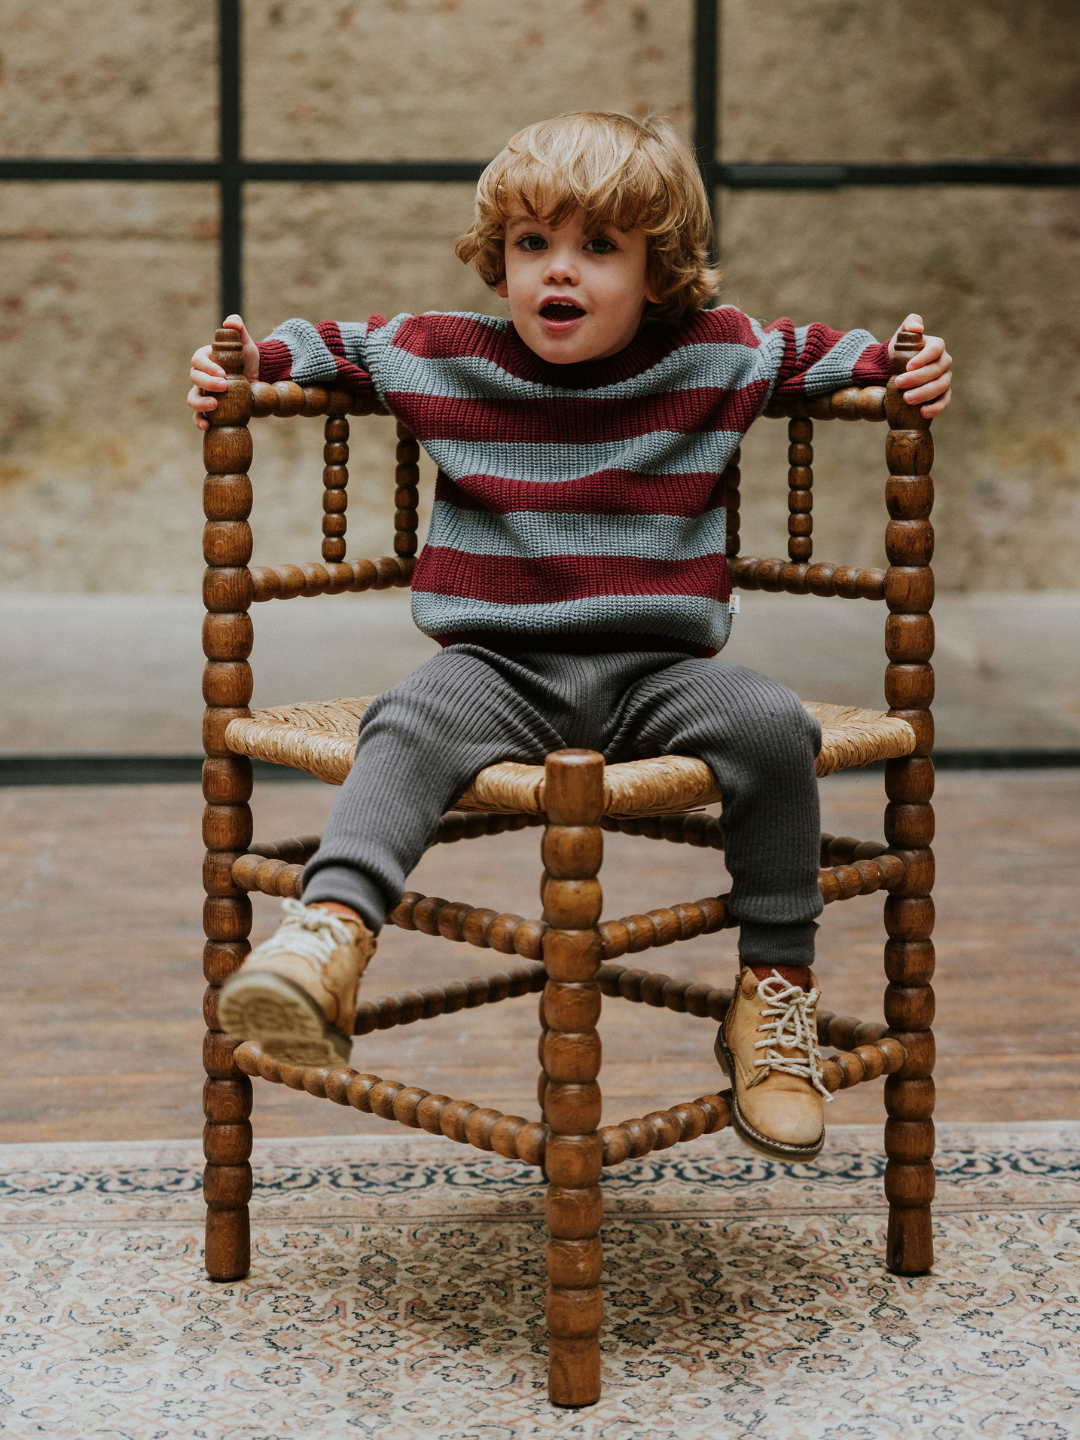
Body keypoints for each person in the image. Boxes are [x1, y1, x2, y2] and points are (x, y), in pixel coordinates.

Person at [187, 112, 951, 1162]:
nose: (561, 271)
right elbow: (332, 349)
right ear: (498, 262)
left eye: (600, 248)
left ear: (658, 272)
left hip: (662, 673)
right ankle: (328, 942)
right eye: (533, 244)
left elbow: (824, 356)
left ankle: (774, 999)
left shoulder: (714, 354)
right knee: (407, 719)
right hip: (494, 669)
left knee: (774, 727)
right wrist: (237, 365)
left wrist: (905, 367)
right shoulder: (443, 355)